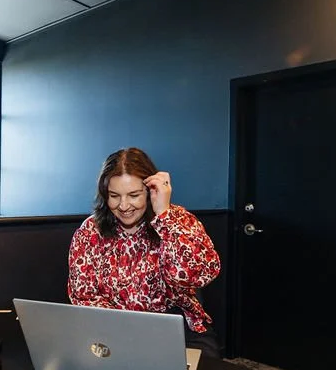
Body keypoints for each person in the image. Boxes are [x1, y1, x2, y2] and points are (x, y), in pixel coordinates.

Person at [68, 147, 222, 358]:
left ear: (149, 191)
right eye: (114, 196)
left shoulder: (180, 220)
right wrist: (129, 333)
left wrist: (164, 216)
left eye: (133, 195)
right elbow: (84, 296)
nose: (123, 206)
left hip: (178, 331)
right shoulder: (90, 231)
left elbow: (196, 274)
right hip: (114, 331)